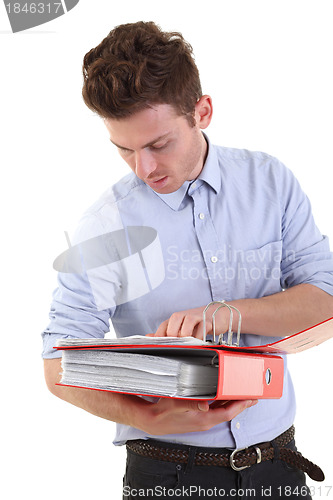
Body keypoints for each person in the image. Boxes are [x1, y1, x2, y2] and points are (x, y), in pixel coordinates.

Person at [42, 21, 333, 499]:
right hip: (166, 472)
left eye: (158, 144)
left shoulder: (271, 183)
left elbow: (324, 301)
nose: (145, 169)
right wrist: (145, 414)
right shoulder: (104, 227)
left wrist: (219, 315)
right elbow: (56, 361)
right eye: (125, 150)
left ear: (203, 111)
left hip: (278, 463)